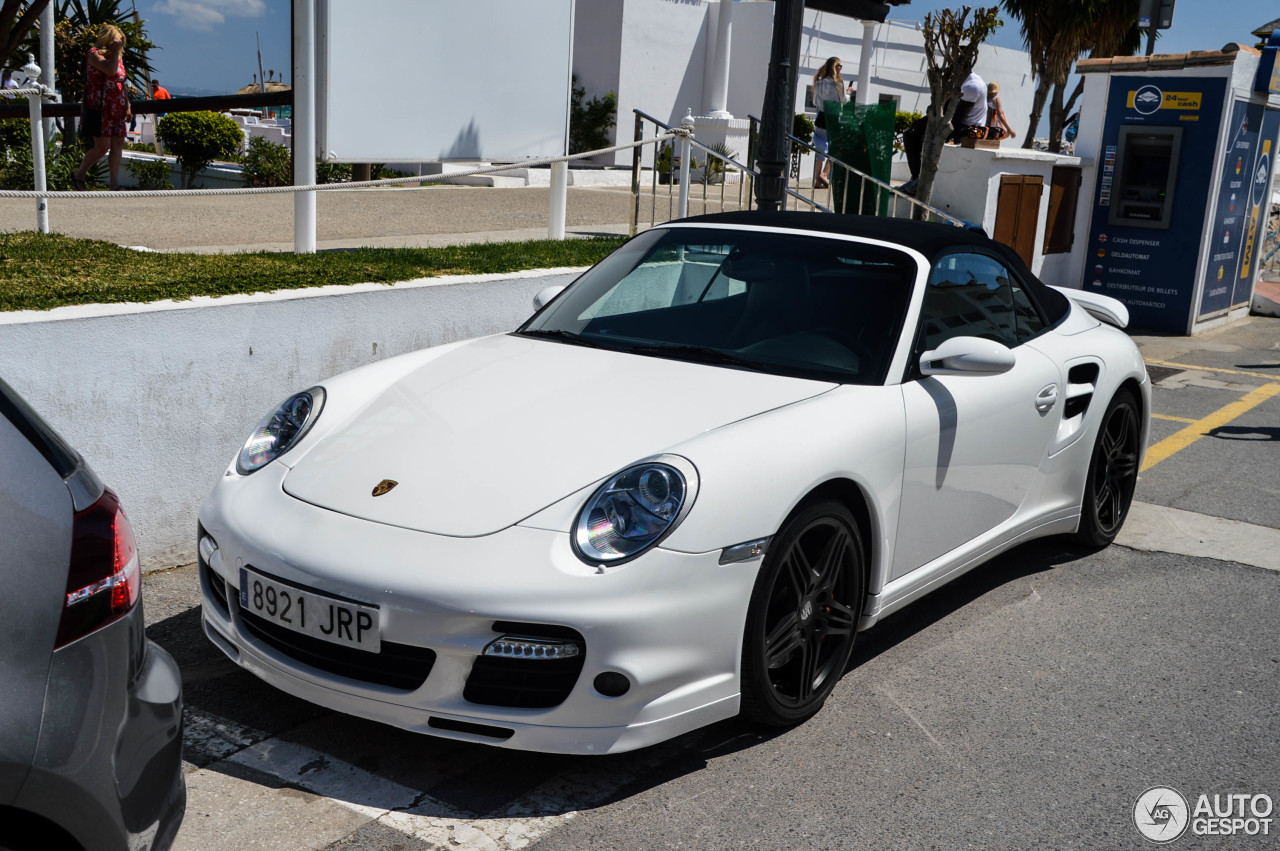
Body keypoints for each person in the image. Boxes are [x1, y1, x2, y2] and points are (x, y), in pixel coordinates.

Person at [73, 24, 131, 191]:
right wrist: (114, 53)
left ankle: (114, 184)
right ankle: (80, 173)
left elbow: (121, 81)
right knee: (102, 145)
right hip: (100, 106)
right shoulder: (94, 54)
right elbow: (111, 71)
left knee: (118, 143)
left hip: (117, 106)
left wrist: (127, 104)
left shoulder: (117, 57)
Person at [810, 56, 847, 190]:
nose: (841, 68)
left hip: (821, 118)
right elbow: (843, 101)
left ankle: (818, 181)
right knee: (836, 149)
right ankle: (824, 174)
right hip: (833, 119)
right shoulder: (839, 83)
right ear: (835, 67)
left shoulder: (820, 82)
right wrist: (848, 93)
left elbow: (815, 102)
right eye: (840, 65)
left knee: (820, 149)